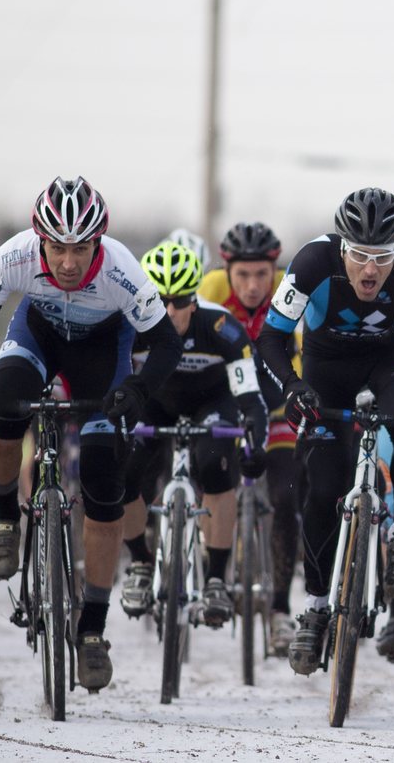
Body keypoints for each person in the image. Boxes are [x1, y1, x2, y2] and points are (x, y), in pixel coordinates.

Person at [0, 176, 182, 691]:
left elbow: (166, 345)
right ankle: (5, 518)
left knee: (102, 486)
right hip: (38, 338)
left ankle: (92, 631)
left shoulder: (122, 269)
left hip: (103, 354)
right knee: (4, 408)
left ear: (99, 243)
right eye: (57, 248)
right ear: (39, 240)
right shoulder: (15, 257)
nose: (69, 262)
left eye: (81, 248)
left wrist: (139, 390)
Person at [254, 188, 394, 670]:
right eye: (359, 256)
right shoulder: (313, 261)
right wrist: (293, 387)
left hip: (388, 361)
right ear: (342, 247)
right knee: (321, 490)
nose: (371, 270)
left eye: (382, 256)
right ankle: (315, 611)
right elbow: (271, 338)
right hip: (324, 369)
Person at [117, 242, 270, 627]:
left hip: (212, 402)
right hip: (155, 402)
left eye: (180, 300)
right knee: (124, 473)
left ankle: (217, 577)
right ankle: (139, 562)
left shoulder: (222, 328)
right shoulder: (131, 328)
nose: (169, 311)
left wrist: (256, 444)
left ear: (195, 298)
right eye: (160, 300)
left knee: (216, 467)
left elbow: (251, 397)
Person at [198, 221, 307, 654]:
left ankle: (280, 609)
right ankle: (214, 577)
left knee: (286, 495)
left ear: (274, 270)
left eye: (262, 274)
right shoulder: (209, 288)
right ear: (227, 271)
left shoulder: (291, 290)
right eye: (242, 275)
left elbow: (309, 349)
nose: (252, 285)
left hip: (279, 405)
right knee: (214, 473)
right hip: (229, 402)